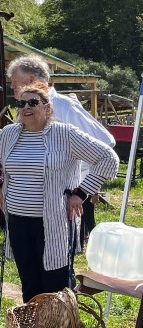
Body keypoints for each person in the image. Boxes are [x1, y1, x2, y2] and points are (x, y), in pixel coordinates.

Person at [0, 83, 118, 302]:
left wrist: (80, 193)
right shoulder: (9, 134)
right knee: (29, 280)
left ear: (47, 108)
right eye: (21, 103)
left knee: (55, 284)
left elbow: (108, 158)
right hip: (17, 220)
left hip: (53, 221)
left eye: (33, 102)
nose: (26, 106)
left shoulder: (65, 134)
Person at [7, 55, 116, 247]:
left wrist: (82, 186)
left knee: (59, 263)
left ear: (31, 80)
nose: (12, 86)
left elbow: (104, 143)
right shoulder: (24, 110)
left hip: (64, 200)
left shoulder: (63, 106)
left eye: (14, 81)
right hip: (32, 207)